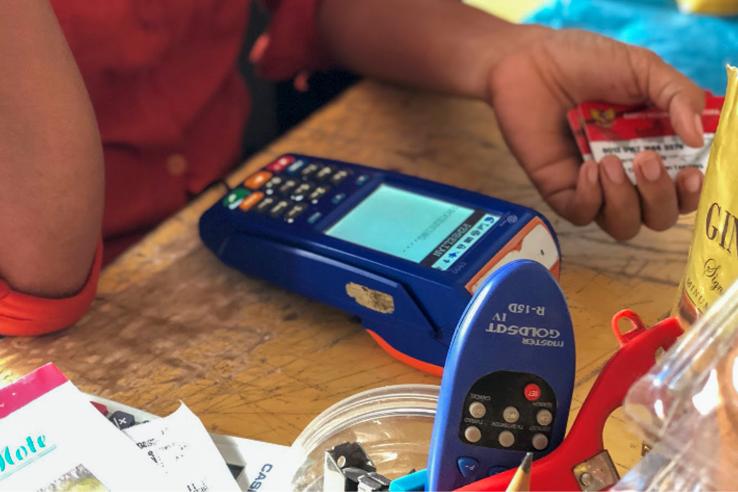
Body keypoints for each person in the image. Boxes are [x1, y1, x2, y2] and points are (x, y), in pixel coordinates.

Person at [0, 0, 705, 337]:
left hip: (241, 238)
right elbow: (43, 281)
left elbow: (309, 10)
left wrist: (507, 58)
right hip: (81, 342)